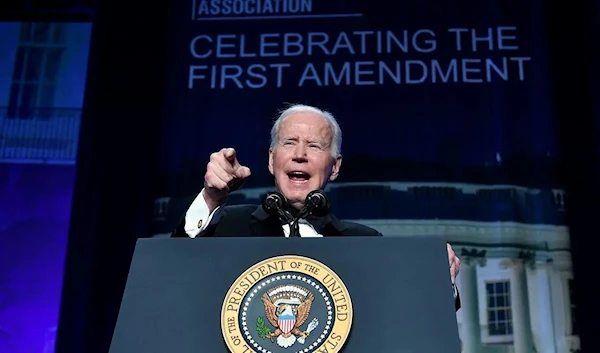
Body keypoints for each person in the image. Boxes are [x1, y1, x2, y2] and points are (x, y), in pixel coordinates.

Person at [170, 103, 461, 310]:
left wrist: (439, 281)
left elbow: (400, 318)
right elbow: (171, 272)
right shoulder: (227, 226)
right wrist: (211, 197)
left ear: (334, 167)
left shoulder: (364, 244)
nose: (299, 155)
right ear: (272, 160)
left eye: (314, 146)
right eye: (289, 143)